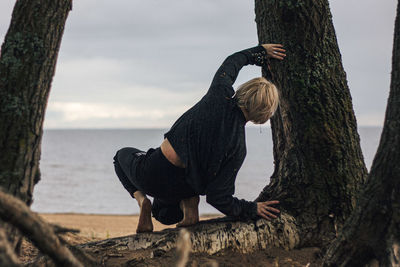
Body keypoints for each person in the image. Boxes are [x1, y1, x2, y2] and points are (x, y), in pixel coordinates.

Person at [113, 44, 286, 233]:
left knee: (121, 156)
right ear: (263, 114)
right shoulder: (238, 147)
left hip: (154, 175)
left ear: (245, 90)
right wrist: (251, 209)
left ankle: (142, 201)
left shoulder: (220, 94)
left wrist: (260, 51)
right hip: (183, 188)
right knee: (164, 214)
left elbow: (232, 62)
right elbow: (218, 196)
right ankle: (189, 203)